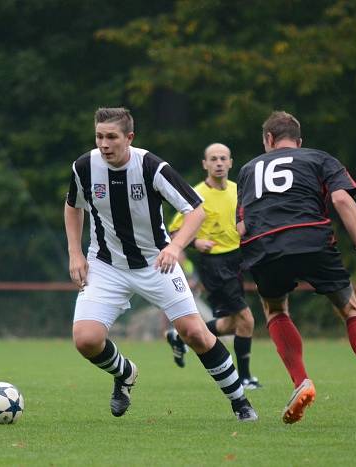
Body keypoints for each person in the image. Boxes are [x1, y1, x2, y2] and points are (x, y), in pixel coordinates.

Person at [65, 107, 257, 422]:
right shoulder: (84, 166)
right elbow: (73, 206)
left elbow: (196, 209)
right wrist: (75, 252)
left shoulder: (152, 167)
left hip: (156, 263)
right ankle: (125, 373)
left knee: (195, 333)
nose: (104, 144)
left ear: (129, 137)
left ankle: (240, 401)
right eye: (99, 136)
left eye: (111, 137)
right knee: (86, 340)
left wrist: (176, 246)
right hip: (106, 265)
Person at [235, 110, 356, 425]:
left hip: (264, 245)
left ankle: (301, 381)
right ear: (299, 141)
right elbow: (343, 201)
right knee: (351, 310)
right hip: (310, 237)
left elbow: (241, 224)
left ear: (268, 139)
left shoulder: (248, 169)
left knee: (275, 311)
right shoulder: (319, 158)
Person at [164, 143, 261, 390]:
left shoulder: (238, 191)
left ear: (230, 163)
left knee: (230, 323)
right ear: (204, 164)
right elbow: (174, 230)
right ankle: (246, 377)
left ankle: (180, 338)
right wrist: (196, 241)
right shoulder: (197, 194)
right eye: (213, 159)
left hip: (235, 261)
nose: (218, 163)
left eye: (223, 158)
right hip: (214, 265)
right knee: (246, 320)